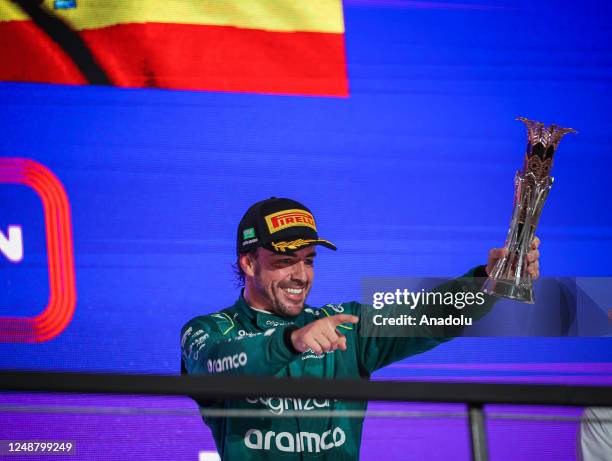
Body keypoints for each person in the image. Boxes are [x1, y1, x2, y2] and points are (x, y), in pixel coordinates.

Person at [181, 197, 541, 460]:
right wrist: (290, 341)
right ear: (248, 262)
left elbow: (426, 316)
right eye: (284, 261)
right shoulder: (207, 331)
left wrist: (486, 284)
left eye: (308, 261)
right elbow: (219, 361)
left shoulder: (346, 326)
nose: (301, 275)